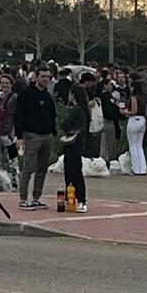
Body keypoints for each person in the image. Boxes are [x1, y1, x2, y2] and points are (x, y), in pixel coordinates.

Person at [15, 67, 56, 208]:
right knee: (29, 167)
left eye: (48, 77)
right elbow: (18, 116)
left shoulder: (48, 96)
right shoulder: (26, 95)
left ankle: (36, 197)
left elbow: (52, 115)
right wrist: (19, 136)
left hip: (47, 135)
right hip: (31, 134)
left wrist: (53, 132)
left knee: (42, 168)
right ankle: (23, 197)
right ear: (36, 77)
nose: (45, 79)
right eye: (43, 76)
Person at [59, 84, 90, 214]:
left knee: (72, 171)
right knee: (75, 170)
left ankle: (78, 199)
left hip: (72, 142)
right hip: (79, 142)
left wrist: (68, 129)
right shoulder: (84, 110)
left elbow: (63, 123)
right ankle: (73, 198)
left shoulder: (76, 109)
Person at [125, 79, 147, 177]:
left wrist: (124, 112)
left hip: (134, 120)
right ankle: (142, 168)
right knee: (139, 146)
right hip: (142, 120)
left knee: (133, 145)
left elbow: (133, 111)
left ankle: (136, 168)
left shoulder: (134, 98)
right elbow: (146, 111)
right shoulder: (144, 98)